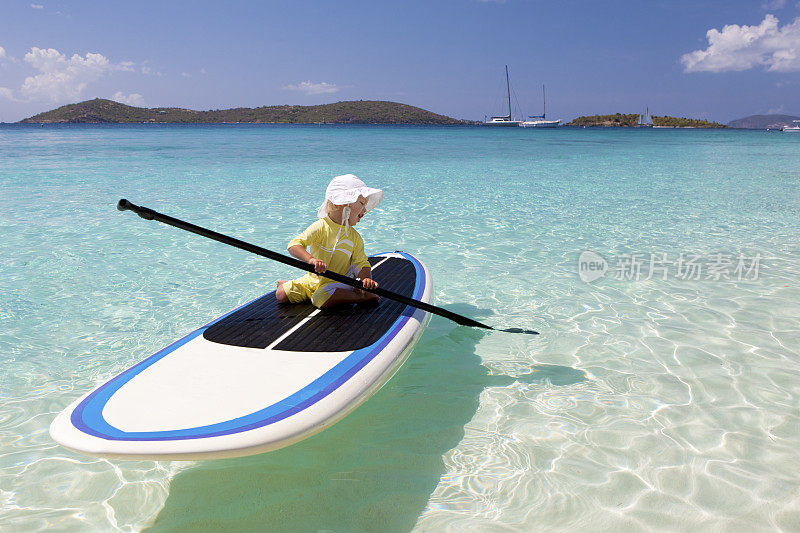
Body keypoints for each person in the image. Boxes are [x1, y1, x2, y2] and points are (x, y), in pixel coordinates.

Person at [276, 174, 383, 308]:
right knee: (281, 294)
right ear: (345, 202)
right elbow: (294, 245)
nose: (364, 211)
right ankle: (291, 286)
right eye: (362, 204)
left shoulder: (354, 237)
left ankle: (360, 296)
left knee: (319, 298)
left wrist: (366, 279)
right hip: (313, 280)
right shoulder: (320, 227)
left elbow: (362, 263)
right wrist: (311, 260)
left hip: (340, 282)